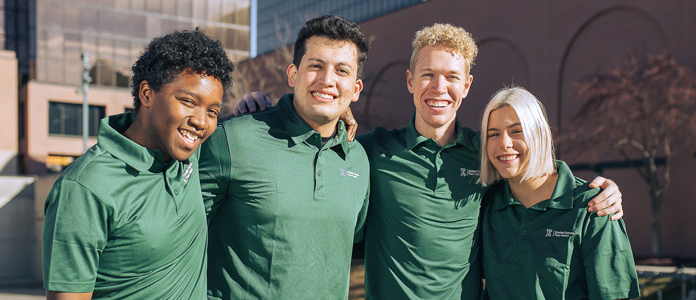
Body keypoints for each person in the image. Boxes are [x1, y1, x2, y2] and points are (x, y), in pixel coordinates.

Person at [235, 23, 625, 299]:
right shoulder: (371, 150)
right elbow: (315, 138)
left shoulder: (487, 152)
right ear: (409, 80)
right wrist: (265, 110)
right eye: (428, 75)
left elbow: (535, 174)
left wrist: (602, 191)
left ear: (467, 85)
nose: (439, 88)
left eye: (452, 77)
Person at [41, 29, 234, 300]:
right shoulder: (85, 187)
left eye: (212, 111)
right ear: (147, 94)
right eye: (188, 102)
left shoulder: (190, 155)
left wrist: (253, 107)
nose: (202, 121)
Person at [198, 15, 370, 299]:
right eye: (316, 66)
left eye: (342, 71)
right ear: (293, 74)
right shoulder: (234, 138)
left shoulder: (358, 159)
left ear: (355, 89)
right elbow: (176, 232)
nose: (327, 80)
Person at [479, 86, 639, 299]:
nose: (504, 143)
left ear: (540, 134)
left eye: (517, 131)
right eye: (493, 134)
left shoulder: (594, 206)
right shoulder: (484, 206)